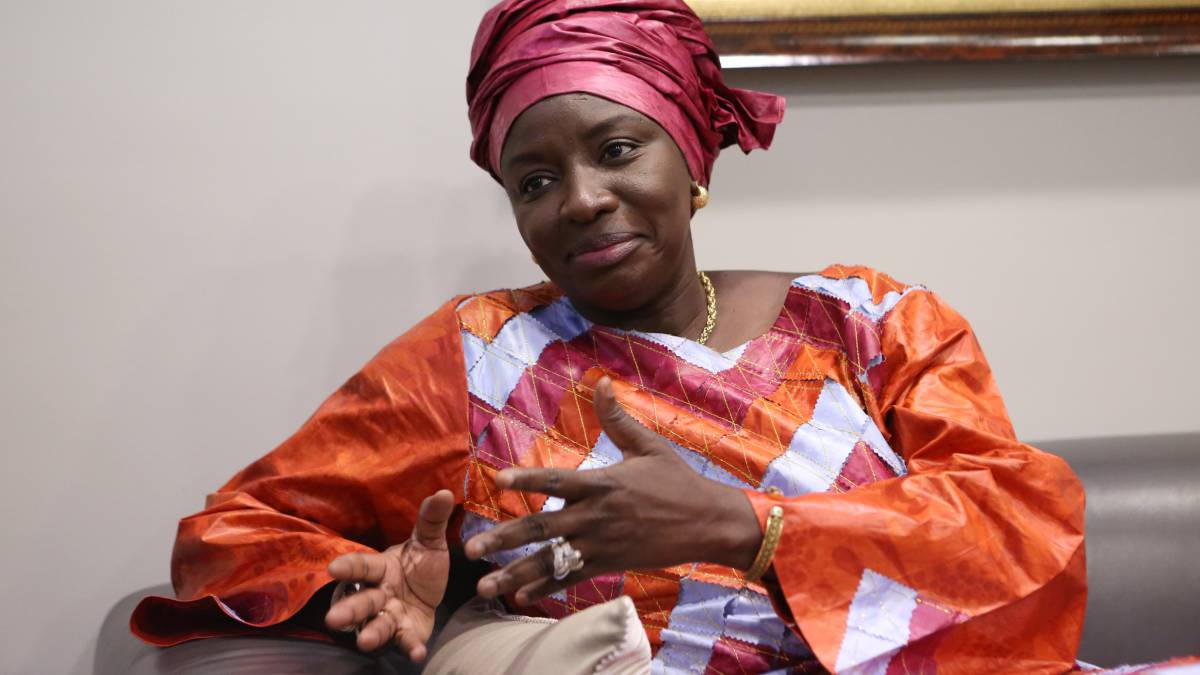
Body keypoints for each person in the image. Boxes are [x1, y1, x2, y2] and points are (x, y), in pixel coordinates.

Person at [129, 1, 1195, 673]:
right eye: (533, 181)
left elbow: (1025, 531)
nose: (581, 201)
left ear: (691, 160)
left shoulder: (872, 323)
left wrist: (749, 527)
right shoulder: (476, 356)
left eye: (616, 148)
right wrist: (435, 578)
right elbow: (236, 533)